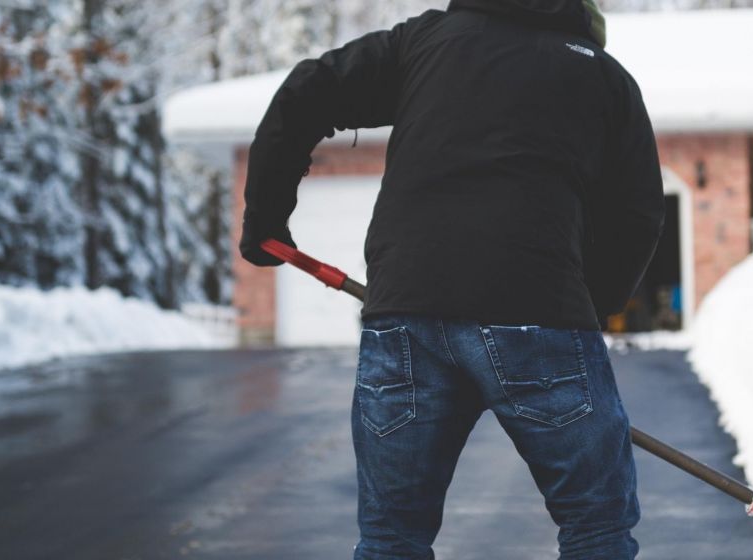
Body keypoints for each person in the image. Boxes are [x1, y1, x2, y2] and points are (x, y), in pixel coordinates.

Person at [239, 1, 664, 558]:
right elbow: (636, 214)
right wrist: (591, 306)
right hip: (539, 314)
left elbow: (309, 89)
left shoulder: (427, 43)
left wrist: (265, 217)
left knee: (393, 536)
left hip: (407, 313)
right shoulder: (604, 77)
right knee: (597, 527)